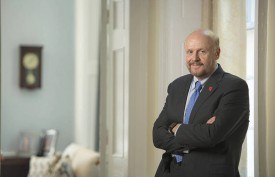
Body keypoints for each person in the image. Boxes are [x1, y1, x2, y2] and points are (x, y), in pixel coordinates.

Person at [153, 29, 249, 177]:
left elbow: (212, 135)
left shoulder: (234, 87)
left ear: (217, 53)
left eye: (202, 51)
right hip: (170, 172)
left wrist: (175, 128)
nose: (194, 58)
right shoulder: (177, 86)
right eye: (189, 52)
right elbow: (158, 134)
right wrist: (197, 134)